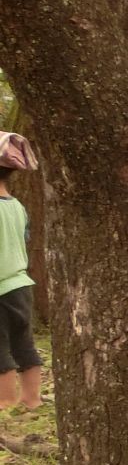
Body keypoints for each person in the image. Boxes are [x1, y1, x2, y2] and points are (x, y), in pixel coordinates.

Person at [0, 168, 42, 411]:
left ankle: (5, 402)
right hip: (21, 285)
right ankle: (32, 399)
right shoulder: (18, 207)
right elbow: (24, 237)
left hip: (1, 287)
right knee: (23, 343)